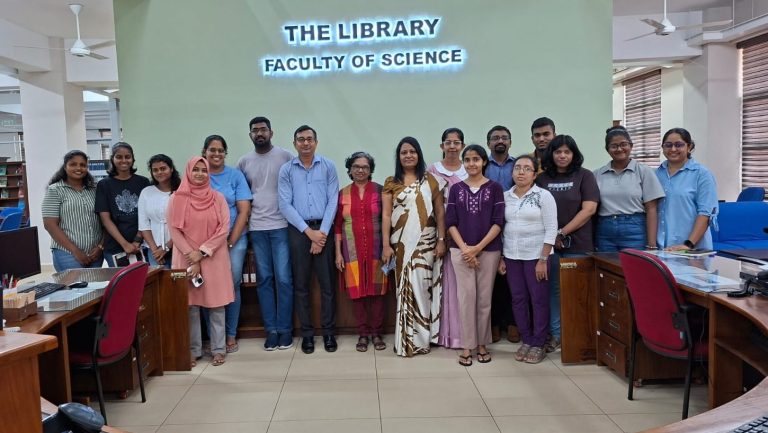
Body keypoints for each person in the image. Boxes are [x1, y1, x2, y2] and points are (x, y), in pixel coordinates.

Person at [382, 136, 446, 357]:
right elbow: (386, 215)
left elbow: (439, 213)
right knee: (404, 291)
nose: (408, 155)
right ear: (398, 157)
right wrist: (385, 245)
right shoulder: (391, 182)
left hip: (427, 243)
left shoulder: (432, 181)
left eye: (412, 151)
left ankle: (422, 340)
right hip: (400, 245)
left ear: (418, 154)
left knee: (422, 290)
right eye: (403, 152)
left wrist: (441, 240)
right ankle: (405, 341)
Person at [278, 125, 339, 354]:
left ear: (316, 142)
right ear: (294, 143)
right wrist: (308, 232)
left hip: (324, 229)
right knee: (301, 286)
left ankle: (329, 333)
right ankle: (307, 334)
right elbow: (284, 204)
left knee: (327, 286)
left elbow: (333, 199)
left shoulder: (328, 166)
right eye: (301, 140)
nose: (305, 143)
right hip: (298, 231)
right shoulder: (286, 170)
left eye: (309, 139)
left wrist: (320, 234)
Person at [168, 156, 233, 367]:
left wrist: (202, 252)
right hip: (185, 257)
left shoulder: (218, 198)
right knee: (190, 306)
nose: (199, 174)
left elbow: (223, 229)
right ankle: (193, 350)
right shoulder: (177, 199)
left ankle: (218, 349)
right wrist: (192, 256)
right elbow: (174, 232)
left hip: (213, 257)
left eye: (203, 170)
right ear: (188, 172)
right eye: (195, 170)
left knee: (216, 305)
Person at [535, 135, 599, 353]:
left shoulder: (585, 176)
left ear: (574, 154)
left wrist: (561, 232)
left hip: (579, 244)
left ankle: (579, 335)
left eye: (567, 152)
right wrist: (552, 237)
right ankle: (557, 335)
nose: (562, 156)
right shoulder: (542, 179)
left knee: (579, 291)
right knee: (553, 291)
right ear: (551, 155)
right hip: (549, 246)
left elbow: (589, 209)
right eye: (557, 152)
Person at [238, 116, 295, 351]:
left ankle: (285, 330)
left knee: (283, 279)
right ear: (250, 135)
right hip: (257, 228)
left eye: (263, 129)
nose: (259, 133)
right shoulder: (243, 162)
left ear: (271, 132)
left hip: (281, 226)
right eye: (255, 130)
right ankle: (270, 330)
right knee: (265, 280)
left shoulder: (285, 156)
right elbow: (241, 197)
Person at [445, 145, 504, 366]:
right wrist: (465, 249)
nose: (471, 164)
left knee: (484, 300)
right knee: (466, 298)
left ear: (484, 162)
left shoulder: (495, 188)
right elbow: (450, 222)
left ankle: (482, 345)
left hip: (488, 251)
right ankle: (467, 346)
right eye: (467, 160)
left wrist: (477, 248)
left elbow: (498, 222)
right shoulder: (456, 189)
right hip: (459, 251)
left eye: (476, 159)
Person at [501, 155, 557, 364]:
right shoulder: (505, 196)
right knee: (518, 299)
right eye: (517, 168)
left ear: (535, 174)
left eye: (526, 169)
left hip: (536, 257)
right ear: (512, 172)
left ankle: (539, 342)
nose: (521, 172)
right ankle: (527, 339)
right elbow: (501, 228)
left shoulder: (543, 196)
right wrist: (501, 257)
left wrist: (543, 258)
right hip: (512, 256)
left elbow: (551, 228)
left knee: (539, 300)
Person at [202, 135, 252, 354]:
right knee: (205, 285)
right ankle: (214, 336)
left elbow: (244, 210)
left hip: (234, 240)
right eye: (212, 150)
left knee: (231, 284)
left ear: (225, 153)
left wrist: (231, 240)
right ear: (204, 152)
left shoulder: (235, 176)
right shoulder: (198, 175)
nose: (216, 154)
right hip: (204, 244)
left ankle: (230, 333)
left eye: (220, 150)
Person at [334, 151, 388, 352]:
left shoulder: (381, 192)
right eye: (356, 166)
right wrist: (338, 254)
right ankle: (363, 334)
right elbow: (338, 226)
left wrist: (388, 249)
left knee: (377, 293)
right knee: (357, 295)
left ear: (370, 170)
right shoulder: (342, 194)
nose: (360, 170)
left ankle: (376, 333)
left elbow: (387, 221)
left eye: (365, 167)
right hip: (351, 252)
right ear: (350, 169)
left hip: (377, 250)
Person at [427, 127, 467, 349]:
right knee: (439, 284)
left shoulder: (469, 169)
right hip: (439, 233)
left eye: (457, 142)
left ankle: (462, 334)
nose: (452, 146)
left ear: (462, 145)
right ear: (441, 146)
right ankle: (439, 334)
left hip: (464, 235)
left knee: (460, 285)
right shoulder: (432, 170)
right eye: (448, 142)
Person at [594, 126, 665, 252]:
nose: (619, 149)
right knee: (607, 269)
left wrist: (652, 244)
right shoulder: (597, 174)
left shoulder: (644, 171)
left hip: (635, 231)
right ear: (607, 149)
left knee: (634, 269)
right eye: (614, 146)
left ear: (631, 146)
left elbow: (652, 209)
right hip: (605, 231)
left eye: (623, 144)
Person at [484, 125, 519, 344]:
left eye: (504, 137)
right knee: (493, 278)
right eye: (495, 138)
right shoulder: (482, 165)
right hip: (488, 225)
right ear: (488, 143)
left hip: (515, 223)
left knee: (513, 277)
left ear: (510, 142)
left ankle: (513, 323)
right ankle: (494, 324)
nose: (500, 140)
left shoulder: (517, 166)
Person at [655, 127, 718, 250]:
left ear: (689, 147)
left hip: (691, 248)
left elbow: (706, 213)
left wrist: (687, 245)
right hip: (661, 248)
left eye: (679, 145)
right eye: (668, 145)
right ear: (662, 148)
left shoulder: (702, 174)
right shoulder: (656, 174)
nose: (673, 149)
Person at [42, 150, 104, 272]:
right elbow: (50, 225)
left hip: (95, 254)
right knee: (75, 290)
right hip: (67, 253)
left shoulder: (94, 189)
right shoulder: (55, 190)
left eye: (83, 165)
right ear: (65, 167)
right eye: (73, 164)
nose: (78, 168)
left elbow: (105, 220)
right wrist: (75, 251)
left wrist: (101, 247)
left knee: (95, 289)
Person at [95, 142, 150, 267]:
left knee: (143, 283)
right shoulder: (104, 185)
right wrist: (125, 244)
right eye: (119, 157)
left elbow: (147, 215)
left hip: (141, 245)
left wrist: (137, 240)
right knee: (121, 284)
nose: (124, 160)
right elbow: (105, 219)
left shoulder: (143, 182)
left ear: (133, 158)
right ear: (112, 159)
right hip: (115, 247)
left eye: (127, 156)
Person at [138, 154, 181, 268]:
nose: (159, 172)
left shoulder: (181, 191)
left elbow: (185, 223)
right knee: (159, 283)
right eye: (155, 170)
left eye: (163, 168)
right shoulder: (146, 192)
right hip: (154, 250)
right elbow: (144, 224)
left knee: (179, 282)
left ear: (171, 169)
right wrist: (155, 251)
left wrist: (166, 247)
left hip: (179, 247)